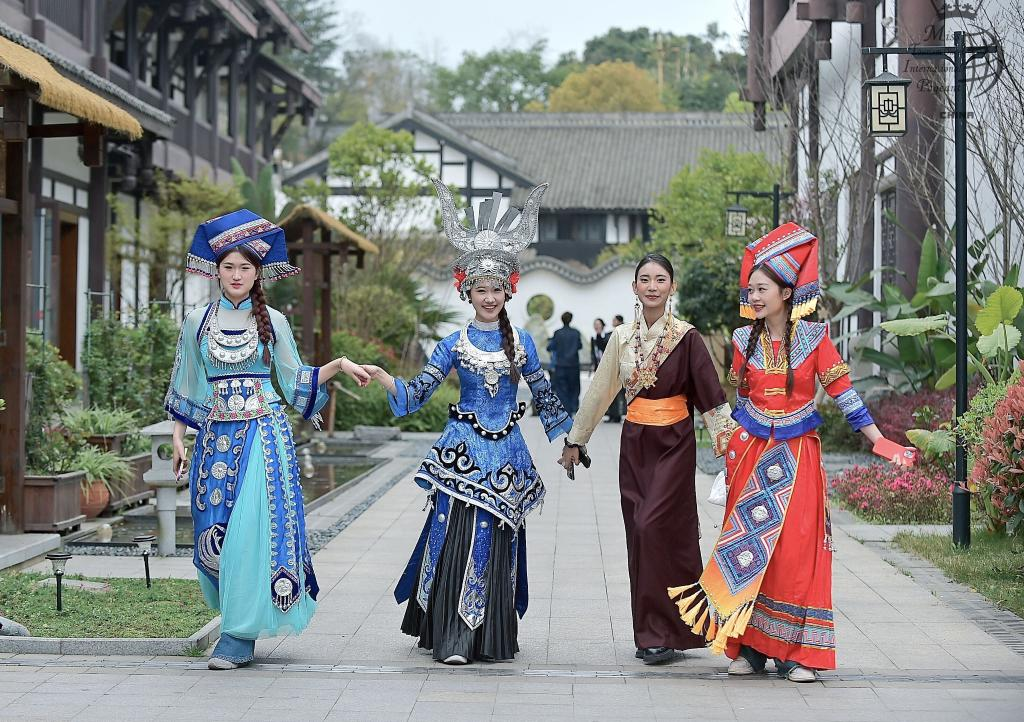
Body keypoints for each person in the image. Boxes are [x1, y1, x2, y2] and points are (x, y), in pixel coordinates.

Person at [668, 223, 916, 682]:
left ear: (787, 292)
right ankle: (750, 647)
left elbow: (844, 393)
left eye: (762, 289)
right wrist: (727, 450)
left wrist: (879, 440)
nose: (754, 297)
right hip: (748, 456)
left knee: (796, 551)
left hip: (798, 455)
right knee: (745, 547)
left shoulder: (815, 338)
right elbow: (738, 401)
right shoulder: (742, 343)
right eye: (752, 289)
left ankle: (800, 654)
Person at [363, 180, 572, 665]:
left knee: (495, 537)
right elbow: (417, 393)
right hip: (461, 451)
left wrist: (570, 441)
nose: (490, 297)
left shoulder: (520, 340)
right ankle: (453, 637)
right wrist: (386, 380)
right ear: (467, 290)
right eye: (481, 289)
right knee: (455, 533)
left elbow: (544, 395)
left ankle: (491, 635)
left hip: (506, 455)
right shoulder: (453, 344)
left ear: (508, 290)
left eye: (497, 289)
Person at [166, 210, 371, 670]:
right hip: (216, 438)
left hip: (263, 436)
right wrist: (179, 437)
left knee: (249, 536)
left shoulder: (273, 321)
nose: (236, 275)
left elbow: (295, 380)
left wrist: (336, 365)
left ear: (258, 274)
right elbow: (188, 383)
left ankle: (238, 636)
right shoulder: (198, 320)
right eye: (228, 267)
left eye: (245, 268)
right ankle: (236, 616)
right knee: (212, 535)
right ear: (216, 271)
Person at [559, 254, 736, 665]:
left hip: (675, 444)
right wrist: (576, 440)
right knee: (639, 536)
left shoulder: (687, 337)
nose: (652, 286)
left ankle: (668, 628)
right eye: (645, 279)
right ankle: (652, 633)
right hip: (635, 445)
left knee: (652, 525)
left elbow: (711, 397)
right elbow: (600, 393)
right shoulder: (620, 338)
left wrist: (730, 450)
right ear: (634, 288)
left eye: (661, 279)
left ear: (672, 287)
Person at [548, 312, 583, 415]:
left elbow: (552, 346)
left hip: (561, 365)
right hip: (573, 365)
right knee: (574, 388)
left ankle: (566, 410)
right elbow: (580, 346)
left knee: (562, 389)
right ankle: (573, 407)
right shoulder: (576, 333)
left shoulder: (557, 333)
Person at [606, 315, 626, 422]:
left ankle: (617, 414)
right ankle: (613, 414)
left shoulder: (623, 332)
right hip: (616, 366)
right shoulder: (614, 333)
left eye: (614, 320)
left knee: (619, 393)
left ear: (619, 321)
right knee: (614, 392)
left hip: (620, 366)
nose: (612, 322)